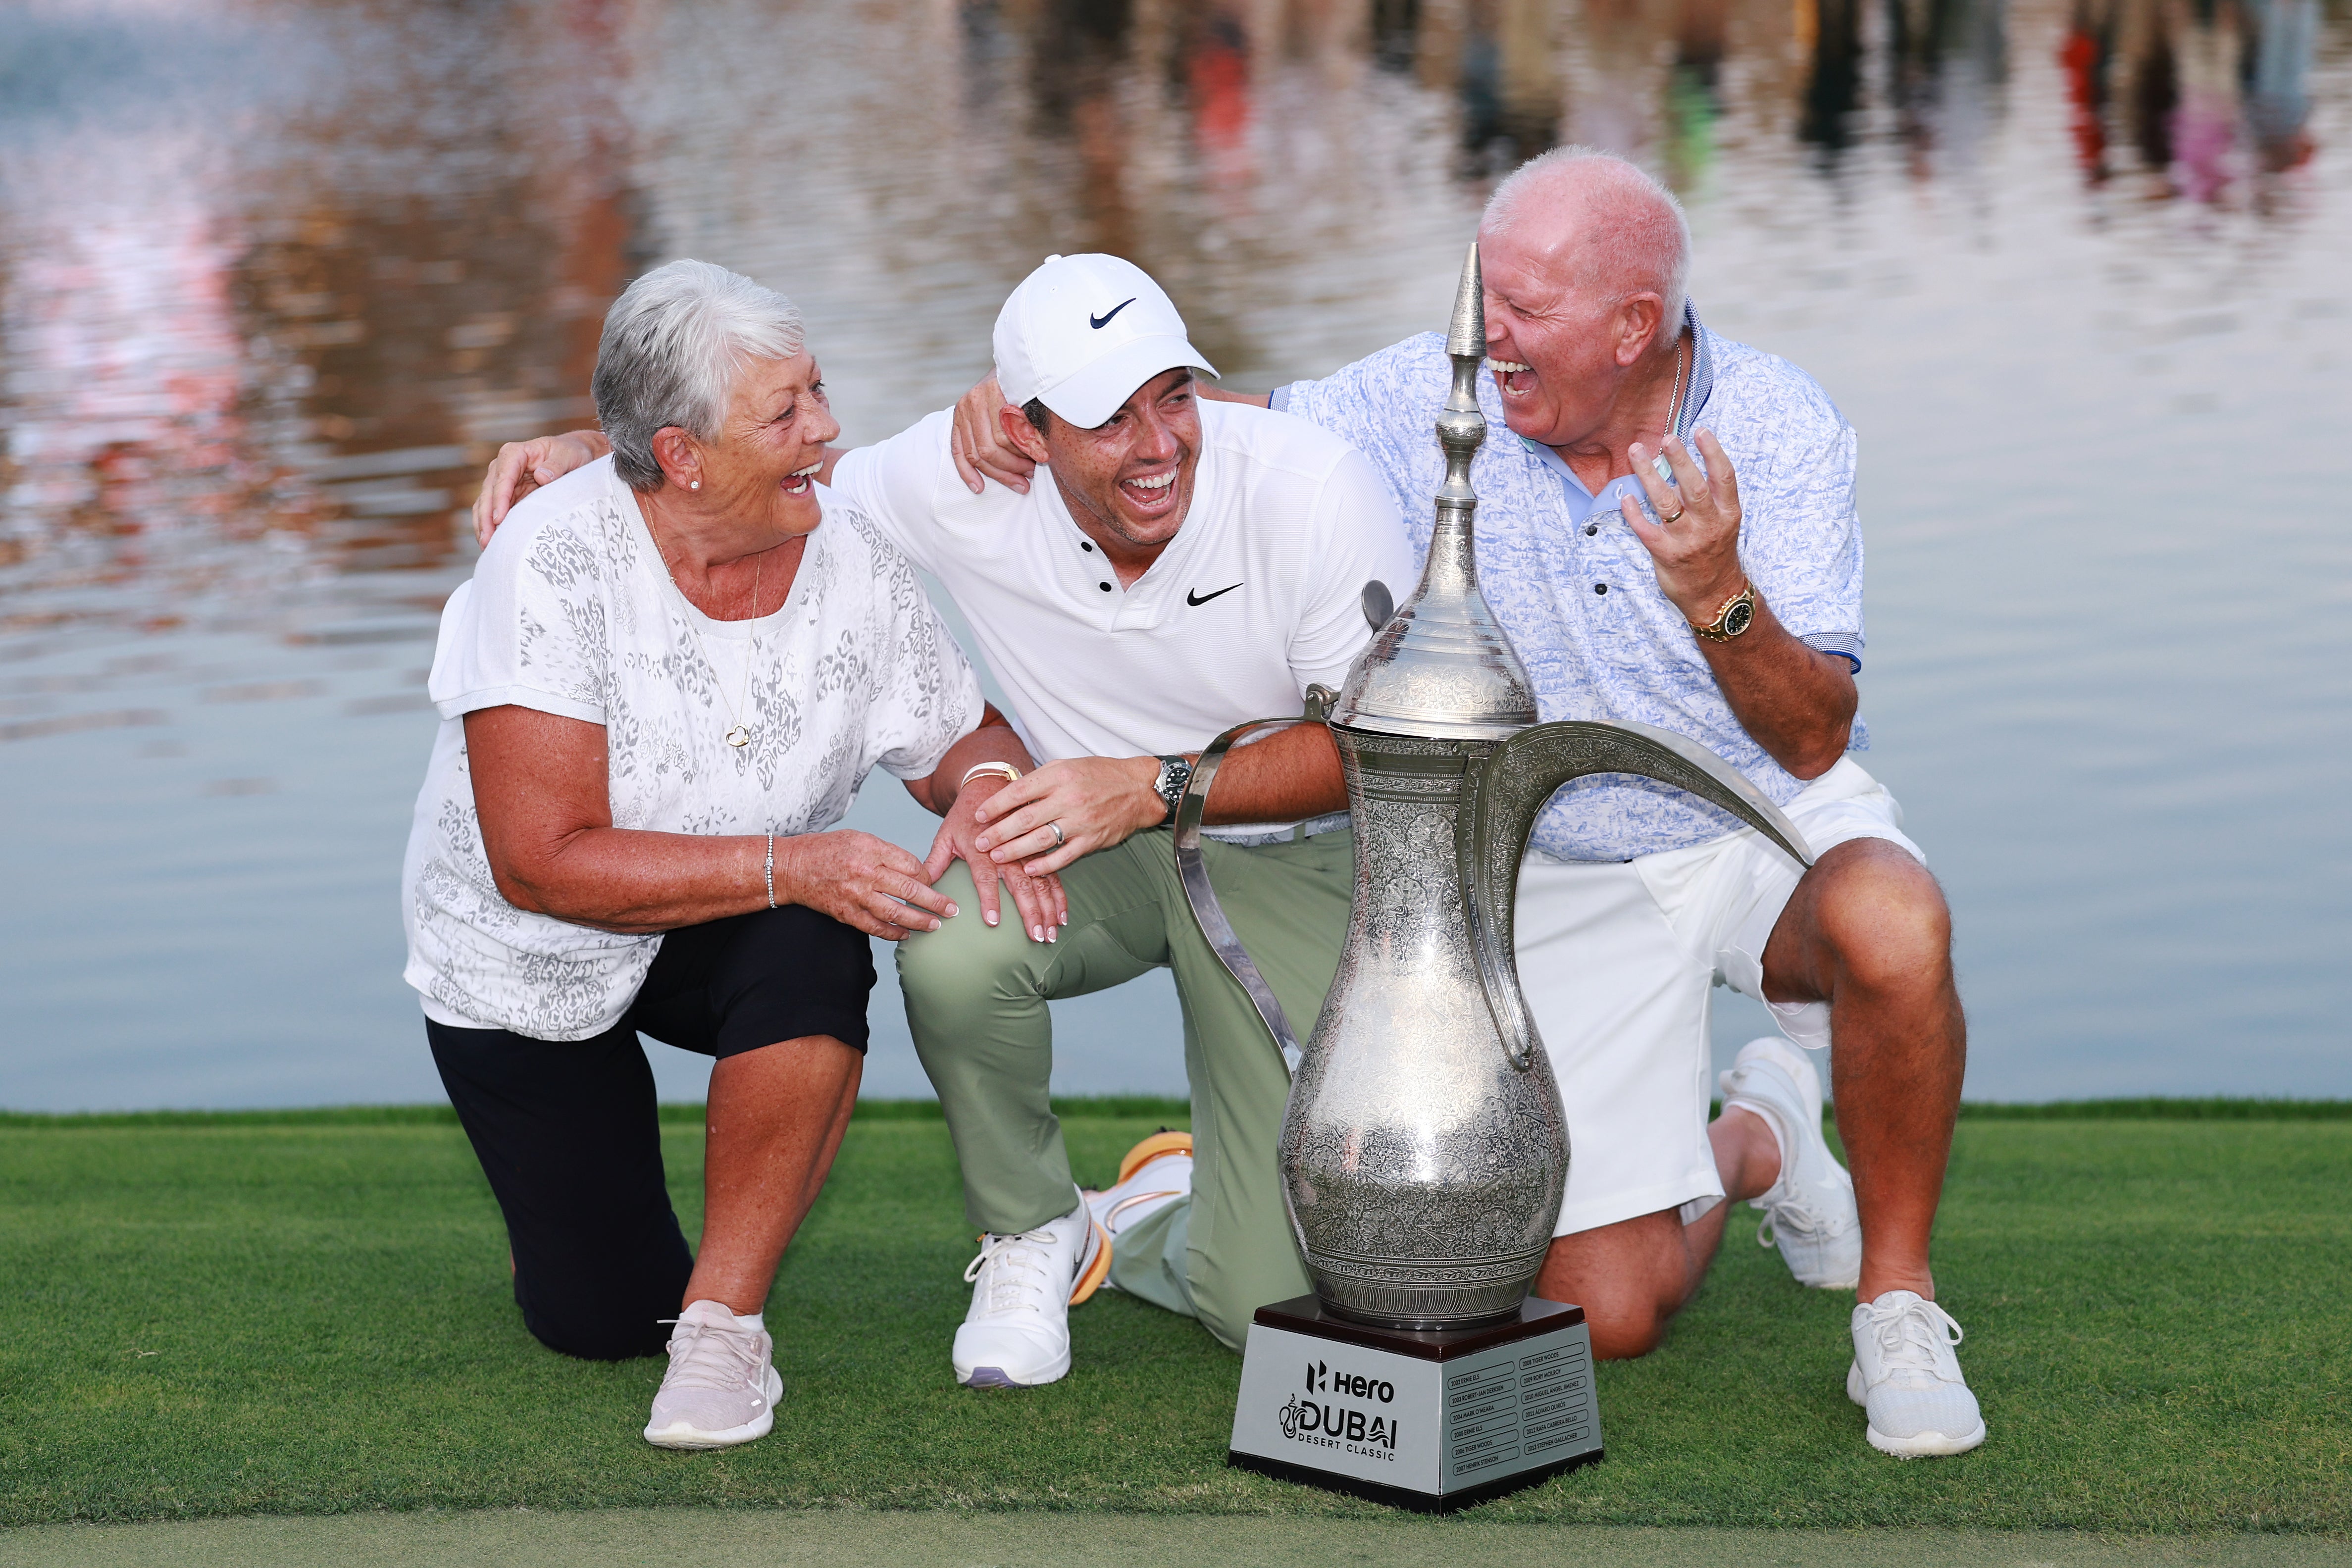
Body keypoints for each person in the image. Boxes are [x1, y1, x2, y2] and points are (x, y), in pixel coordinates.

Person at [947, 152, 1984, 1460]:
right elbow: (1226, 418)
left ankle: (1894, 1304)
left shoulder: (1778, 425)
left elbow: (1812, 732)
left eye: (1525, 308)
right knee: (1600, 1311)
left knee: (1893, 921)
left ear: (1631, 325)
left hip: (1751, 815)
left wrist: (1717, 591)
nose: (1487, 333)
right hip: (1544, 865)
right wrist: (1044, 403)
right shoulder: (1433, 390)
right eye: (1484, 294)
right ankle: (1762, 1134)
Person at [471, 253, 1419, 1391]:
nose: (1160, 444)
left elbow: (1389, 758)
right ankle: (1029, 1230)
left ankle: (1138, 1218)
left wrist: (1128, 783)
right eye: (1107, 418)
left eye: (1174, 394)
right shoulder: (933, 481)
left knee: (1262, 1306)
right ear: (1024, 430)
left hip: (1285, 850)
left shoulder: (1314, 488)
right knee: (948, 944)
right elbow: (706, 475)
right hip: (1086, 843)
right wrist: (595, 457)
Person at [404, 258, 1052, 1452]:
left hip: (736, 927)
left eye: (818, 390)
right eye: (787, 411)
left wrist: (991, 789)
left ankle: (723, 1333)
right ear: (682, 455)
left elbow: (956, 735)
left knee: (816, 943)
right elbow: (538, 864)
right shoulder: (548, 560)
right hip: (533, 949)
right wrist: (792, 865)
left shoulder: (844, 544)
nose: (827, 429)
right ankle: (620, 1260)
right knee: (602, 1318)